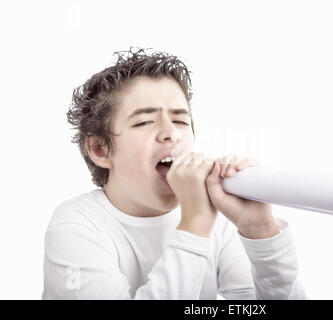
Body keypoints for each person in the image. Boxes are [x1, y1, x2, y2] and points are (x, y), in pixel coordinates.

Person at [42, 47, 307, 300]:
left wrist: (259, 230)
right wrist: (195, 222)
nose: (172, 132)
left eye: (181, 120)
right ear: (100, 149)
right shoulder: (75, 225)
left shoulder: (220, 220)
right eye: (145, 121)